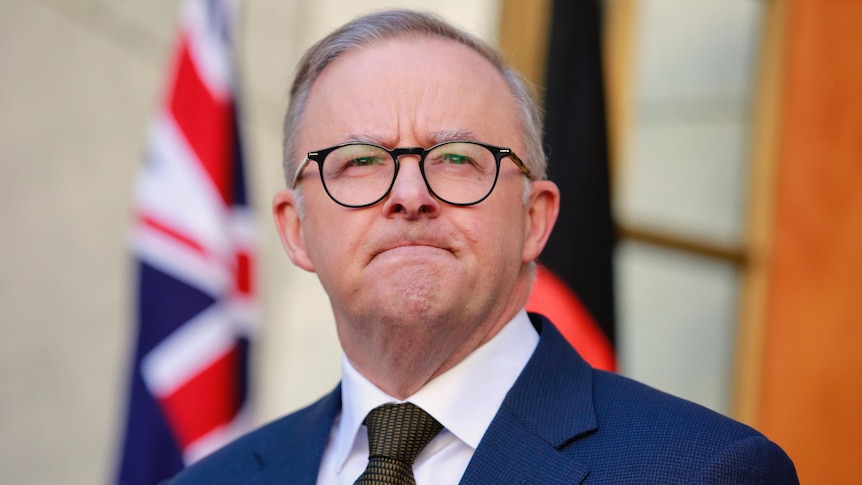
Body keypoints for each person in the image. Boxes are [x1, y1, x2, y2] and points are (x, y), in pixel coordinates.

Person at [166, 9, 798, 484]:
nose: (409, 194)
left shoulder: (705, 472)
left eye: (458, 158)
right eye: (359, 161)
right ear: (296, 230)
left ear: (535, 219)